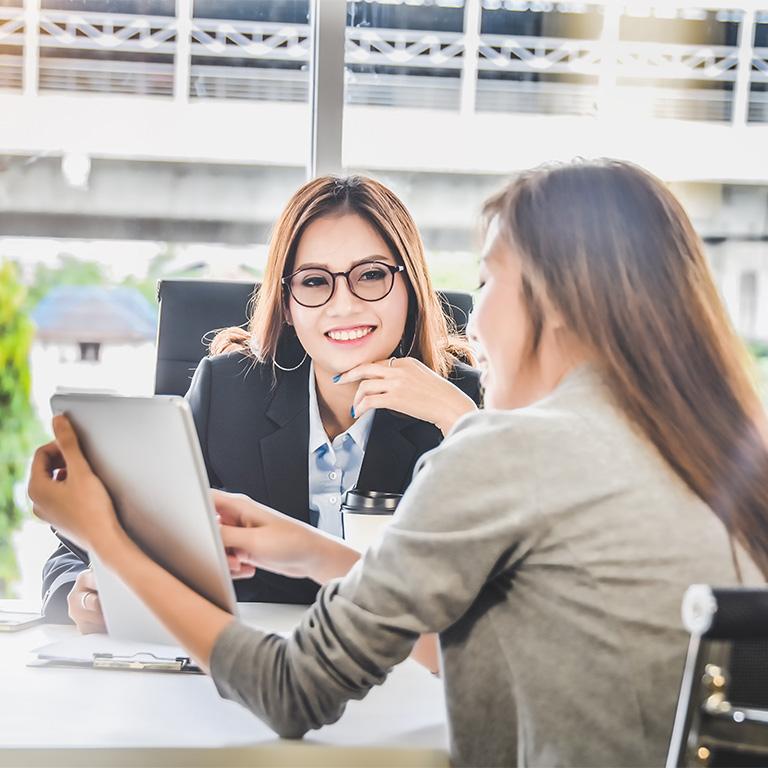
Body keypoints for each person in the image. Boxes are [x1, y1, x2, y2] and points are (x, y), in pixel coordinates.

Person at [29, 159, 768, 767]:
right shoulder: (703, 446)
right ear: (286, 300)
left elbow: (292, 691)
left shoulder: (495, 438)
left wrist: (111, 537)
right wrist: (310, 548)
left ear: (563, 301)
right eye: (315, 281)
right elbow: (511, 627)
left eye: (485, 281)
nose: (471, 317)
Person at [40, 174, 481, 631]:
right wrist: (87, 595)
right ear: (287, 304)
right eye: (314, 281)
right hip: (248, 678)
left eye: (371, 275)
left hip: (410, 685)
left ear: (411, 286)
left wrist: (462, 421)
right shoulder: (227, 394)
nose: (344, 305)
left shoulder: (469, 406)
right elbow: (79, 552)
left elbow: (527, 588)